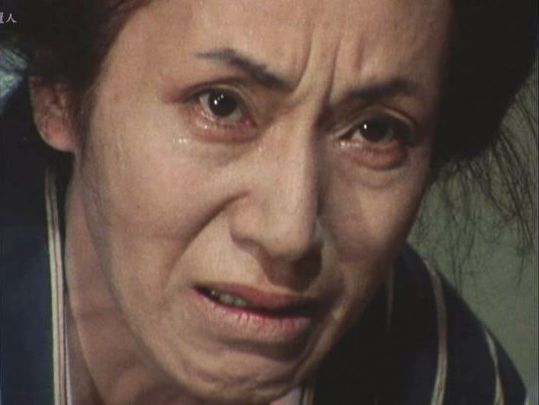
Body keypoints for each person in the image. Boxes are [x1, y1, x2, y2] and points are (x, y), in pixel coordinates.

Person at [0, 0, 536, 404]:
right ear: (60, 95)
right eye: (221, 105)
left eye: (375, 131)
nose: (289, 232)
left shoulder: (450, 380)